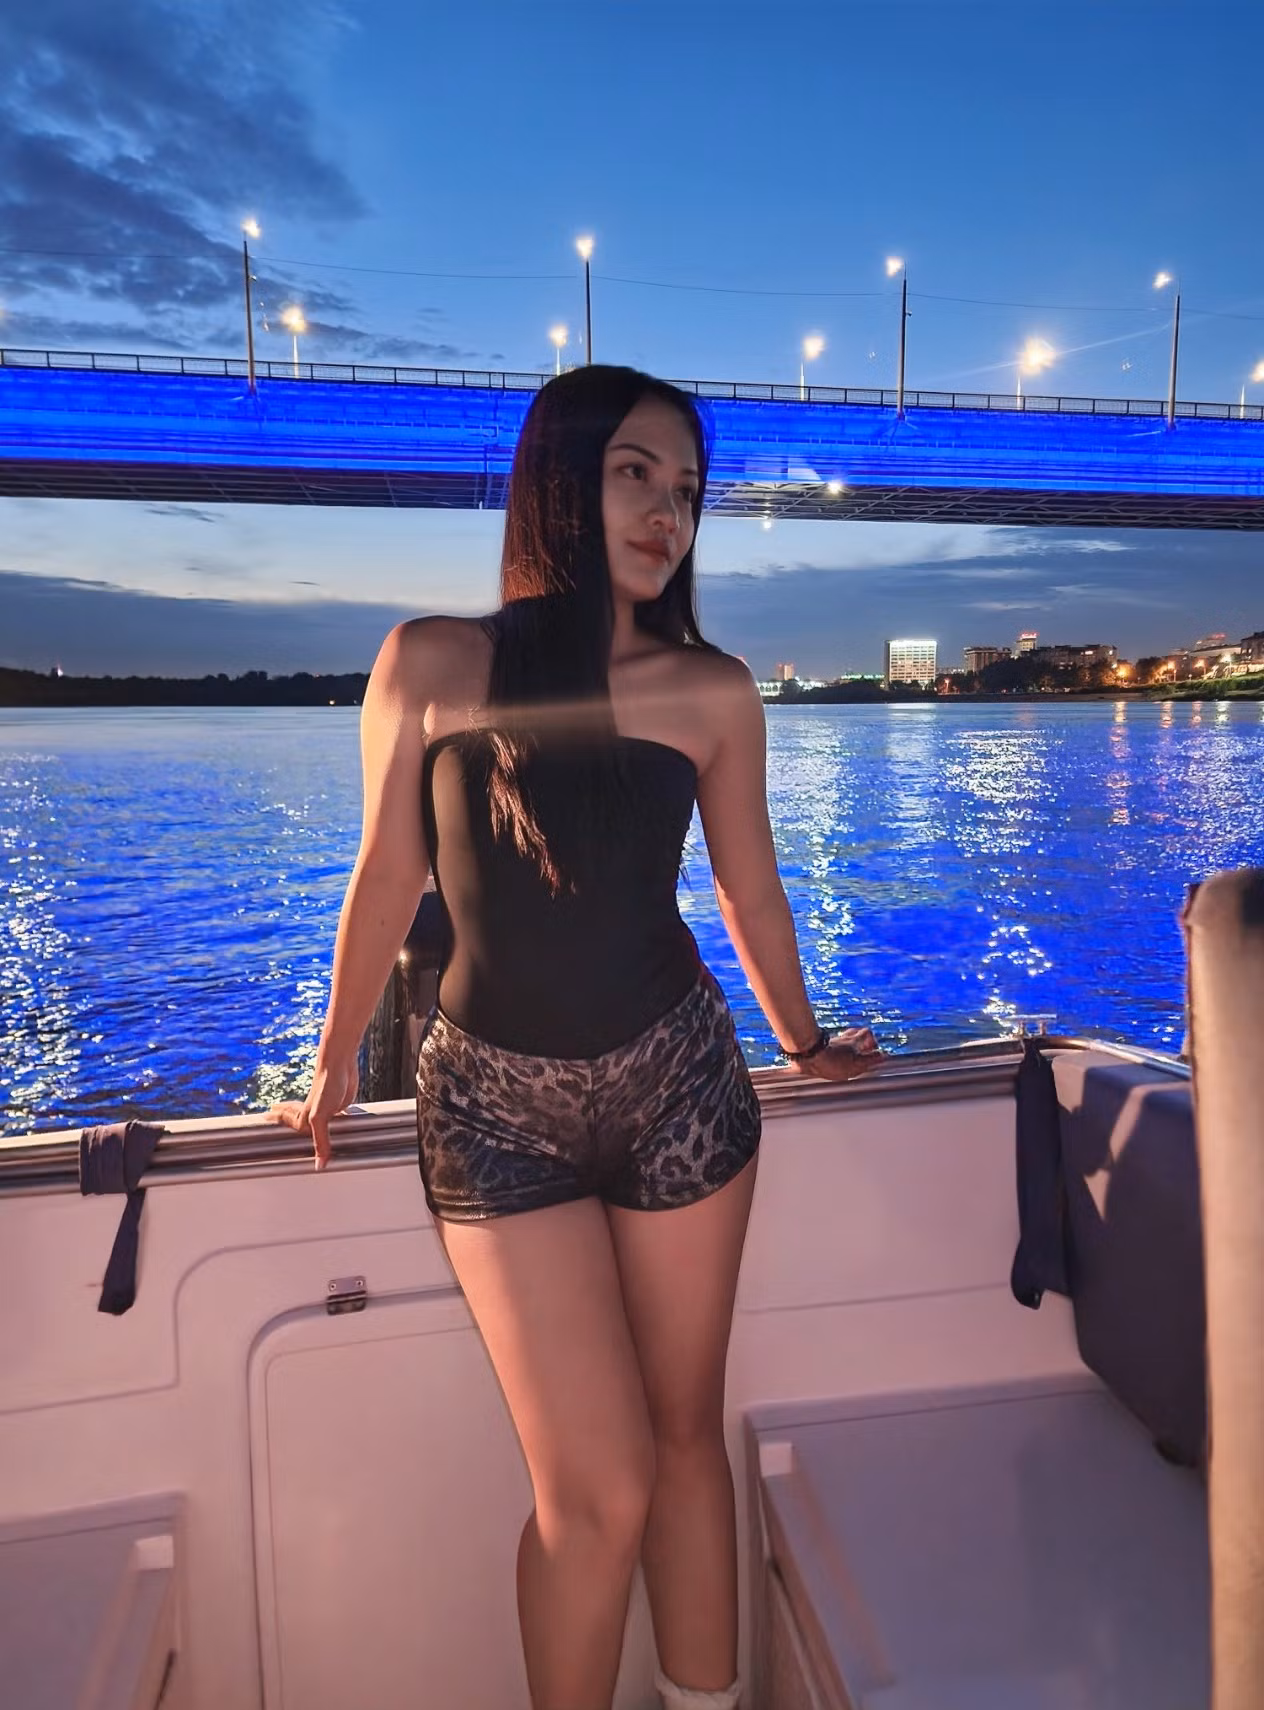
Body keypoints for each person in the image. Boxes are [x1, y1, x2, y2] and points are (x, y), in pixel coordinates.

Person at [269, 364, 883, 1710]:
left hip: (680, 1085)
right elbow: (388, 876)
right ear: (560, 481)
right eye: (635, 475)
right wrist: (330, 1058)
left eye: (689, 491)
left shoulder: (712, 689)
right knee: (597, 1488)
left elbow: (750, 888)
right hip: (494, 1111)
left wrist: (801, 1039)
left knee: (683, 1440)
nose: (670, 514)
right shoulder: (433, 665)